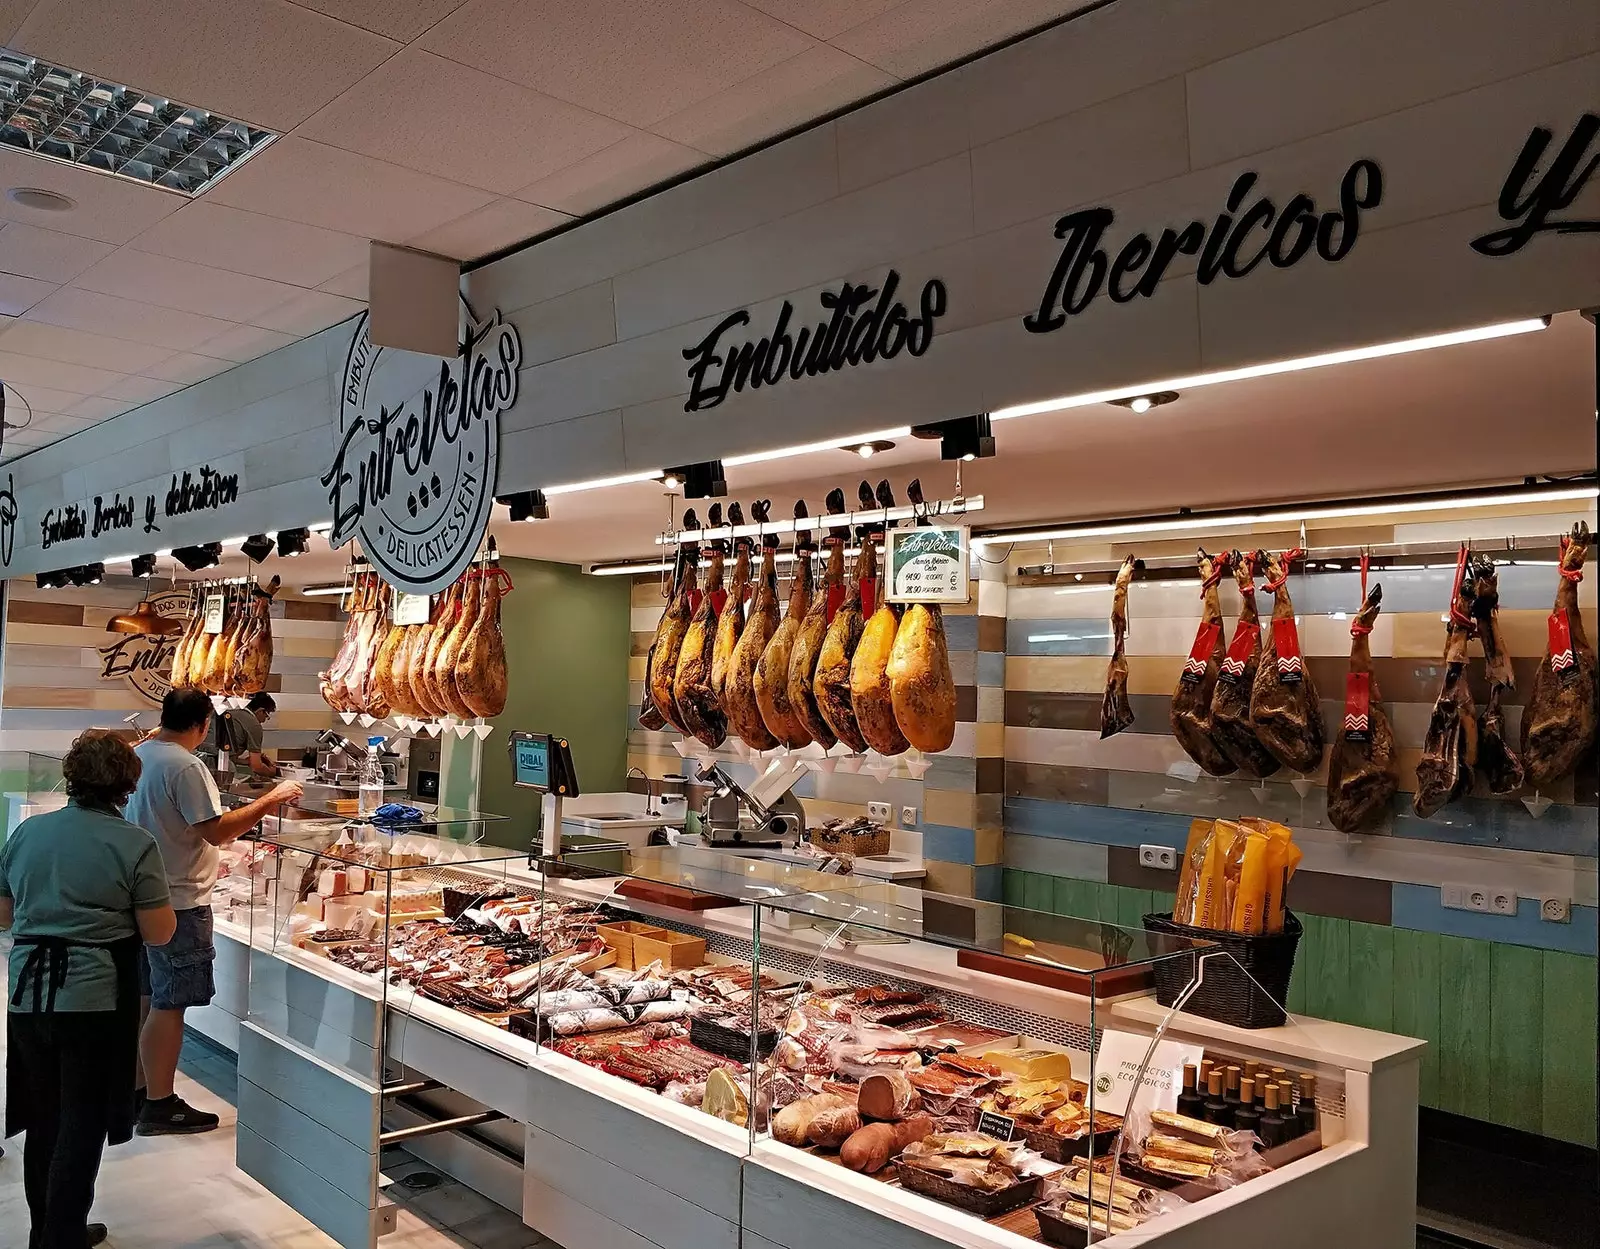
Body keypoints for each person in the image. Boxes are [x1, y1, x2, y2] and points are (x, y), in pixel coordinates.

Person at [1, 730, 178, 1249]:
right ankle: (61, 1237)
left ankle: (49, 1230)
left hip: (28, 994)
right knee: (81, 1123)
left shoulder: (29, 833)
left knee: (43, 1118)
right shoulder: (135, 843)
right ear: (127, 785)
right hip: (95, 999)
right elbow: (159, 931)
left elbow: (5, 913)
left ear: (72, 775)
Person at [125, 688, 301, 1135]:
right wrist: (272, 799)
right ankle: (160, 1106)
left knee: (146, 998)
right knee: (170, 1003)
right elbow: (217, 832)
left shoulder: (139, 754)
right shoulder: (185, 765)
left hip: (142, 897)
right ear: (204, 724)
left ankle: (138, 1091)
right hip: (179, 903)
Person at [222, 692, 279, 779]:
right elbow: (256, 767)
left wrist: (246, 761)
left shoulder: (231, 713)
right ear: (261, 710)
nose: (264, 721)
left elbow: (226, 755)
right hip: (221, 768)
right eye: (266, 716)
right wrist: (273, 772)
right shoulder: (254, 725)